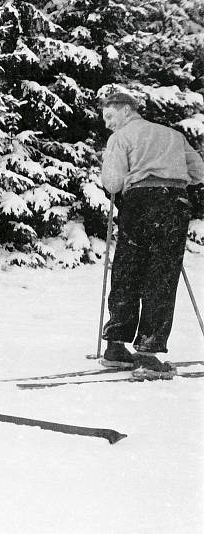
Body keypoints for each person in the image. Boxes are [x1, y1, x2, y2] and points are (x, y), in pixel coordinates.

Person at [99, 92, 204, 379]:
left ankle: (116, 346)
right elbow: (199, 172)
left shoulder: (121, 137)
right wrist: (171, 174)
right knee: (161, 274)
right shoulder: (173, 135)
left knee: (127, 270)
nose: (107, 123)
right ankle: (148, 349)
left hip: (137, 205)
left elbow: (112, 182)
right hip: (172, 203)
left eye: (110, 116)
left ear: (125, 111)